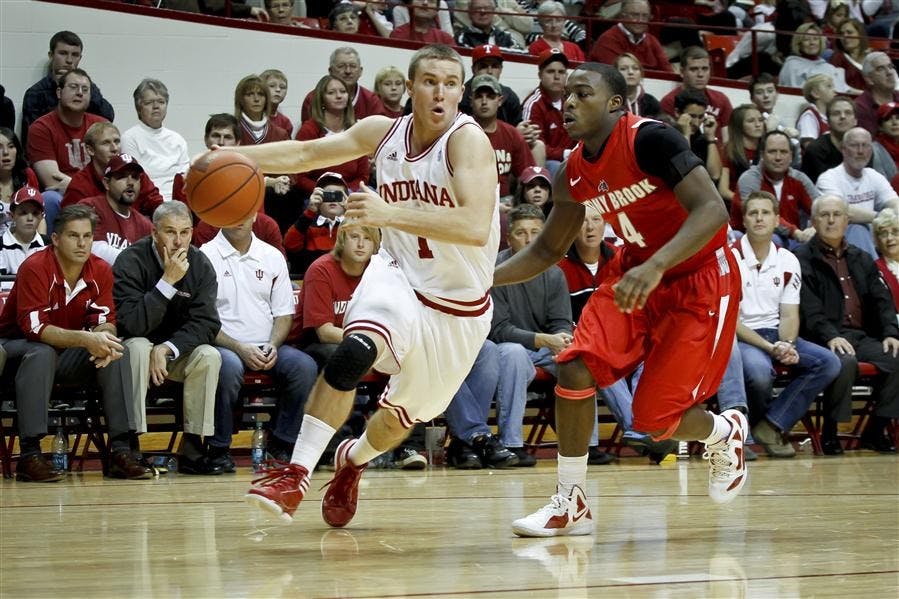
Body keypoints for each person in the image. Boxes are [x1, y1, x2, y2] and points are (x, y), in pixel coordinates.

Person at [237, 44, 499, 525]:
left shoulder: (468, 141)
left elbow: (475, 225)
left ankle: (351, 463)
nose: (440, 92)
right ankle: (295, 473)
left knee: (401, 418)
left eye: (450, 83)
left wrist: (390, 212)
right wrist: (231, 156)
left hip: (458, 306)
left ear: (460, 91)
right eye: (429, 81)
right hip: (398, 275)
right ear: (411, 88)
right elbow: (305, 151)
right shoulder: (383, 133)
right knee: (355, 349)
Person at [495, 63, 746, 538]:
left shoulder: (652, 140)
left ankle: (723, 432)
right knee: (574, 364)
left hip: (698, 279)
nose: (568, 102)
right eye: (566, 95)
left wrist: (656, 266)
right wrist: (487, 279)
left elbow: (712, 210)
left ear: (615, 103)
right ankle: (572, 500)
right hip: (634, 276)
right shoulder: (572, 170)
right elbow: (548, 249)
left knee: (655, 423)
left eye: (582, 94)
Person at [0, 205, 152, 482]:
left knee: (117, 350)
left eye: (87, 236)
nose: (82, 243)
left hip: (66, 353)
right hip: (16, 351)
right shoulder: (34, 267)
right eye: (73, 236)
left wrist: (103, 338)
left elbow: (105, 319)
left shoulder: (101, 270)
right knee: (42, 352)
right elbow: (35, 329)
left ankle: (121, 449)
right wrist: (86, 338)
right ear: (55, 239)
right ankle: (30, 454)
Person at [113, 201, 225, 475]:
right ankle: (131, 443)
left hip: (172, 354)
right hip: (135, 351)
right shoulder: (130, 260)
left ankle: (193, 445)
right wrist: (166, 283)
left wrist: (167, 348)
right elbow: (131, 323)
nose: (178, 242)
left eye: (185, 232)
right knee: (138, 347)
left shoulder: (200, 264)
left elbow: (207, 324)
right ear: (154, 234)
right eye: (170, 232)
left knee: (209, 355)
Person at [200, 214, 317, 469]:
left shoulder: (272, 256)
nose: (239, 217)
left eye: (245, 211)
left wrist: (273, 344)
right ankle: (218, 448)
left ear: (255, 215)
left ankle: (281, 444)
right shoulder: (205, 256)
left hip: (268, 345)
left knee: (304, 366)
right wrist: (239, 347)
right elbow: (202, 319)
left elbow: (284, 314)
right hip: (225, 346)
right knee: (226, 367)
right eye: (232, 210)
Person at [731, 191, 841, 458]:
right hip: (744, 339)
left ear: (777, 219)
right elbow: (731, 321)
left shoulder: (788, 260)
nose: (759, 218)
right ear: (743, 220)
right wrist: (771, 348)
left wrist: (787, 344)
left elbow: (790, 314)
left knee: (829, 362)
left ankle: (770, 425)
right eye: (753, 213)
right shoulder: (730, 258)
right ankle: (754, 429)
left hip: (777, 334)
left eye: (765, 213)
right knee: (758, 373)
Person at [794, 194, 899, 454]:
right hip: (822, 338)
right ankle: (830, 431)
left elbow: (882, 299)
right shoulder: (802, 258)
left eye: (837, 214)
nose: (831, 220)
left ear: (847, 220)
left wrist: (890, 332)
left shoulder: (862, 258)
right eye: (825, 215)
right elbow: (809, 309)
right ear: (814, 221)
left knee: (898, 355)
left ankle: (875, 430)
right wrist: (830, 335)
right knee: (844, 361)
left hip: (861, 336)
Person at [490, 204, 572, 467]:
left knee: (577, 359)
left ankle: (585, 446)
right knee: (513, 354)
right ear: (508, 237)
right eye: (521, 233)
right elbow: (499, 330)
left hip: (544, 347)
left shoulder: (554, 272)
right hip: (504, 348)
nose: (528, 240)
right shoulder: (496, 271)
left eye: (535, 233)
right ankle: (511, 443)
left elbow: (561, 322)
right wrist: (544, 340)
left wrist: (563, 340)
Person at [26, 68, 108, 234]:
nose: (79, 93)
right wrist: (86, 187)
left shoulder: (102, 125)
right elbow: (52, 181)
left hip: (98, 194)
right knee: (49, 198)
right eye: (73, 87)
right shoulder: (42, 128)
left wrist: (73, 184)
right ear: (59, 92)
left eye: (85, 89)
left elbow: (112, 171)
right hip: (64, 198)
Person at [20, 31, 114, 151]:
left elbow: (108, 117)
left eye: (75, 55)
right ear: (51, 55)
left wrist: (83, 88)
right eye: (63, 53)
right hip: (50, 153)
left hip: (85, 150)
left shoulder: (88, 87)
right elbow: (30, 140)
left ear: (80, 58)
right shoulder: (36, 93)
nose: (69, 60)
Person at [816, 127, 899, 258]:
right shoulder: (828, 178)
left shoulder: (873, 175)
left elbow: (894, 202)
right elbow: (842, 212)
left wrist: (893, 216)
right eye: (854, 145)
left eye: (865, 145)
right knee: (857, 228)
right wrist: (882, 217)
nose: (860, 151)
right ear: (843, 149)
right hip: (843, 244)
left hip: (876, 243)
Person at [733, 130, 820, 244]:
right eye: (772, 152)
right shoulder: (749, 179)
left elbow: (820, 208)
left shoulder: (799, 179)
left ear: (791, 156)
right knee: (773, 239)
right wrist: (795, 232)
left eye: (783, 152)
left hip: (793, 240)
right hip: (751, 237)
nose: (778, 157)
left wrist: (815, 228)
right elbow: (761, 218)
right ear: (762, 155)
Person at [61, 122, 163, 218]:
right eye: (106, 143)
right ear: (90, 150)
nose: (114, 148)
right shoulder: (80, 185)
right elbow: (71, 224)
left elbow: (156, 204)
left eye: (117, 141)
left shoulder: (134, 173)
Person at [120, 79, 190, 202]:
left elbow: (185, 178)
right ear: (139, 107)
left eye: (161, 102)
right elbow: (136, 179)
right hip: (149, 201)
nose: (156, 106)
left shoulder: (177, 139)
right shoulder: (130, 137)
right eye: (149, 102)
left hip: (179, 202)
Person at [470, 74, 536, 201]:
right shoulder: (460, 132)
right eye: (479, 97)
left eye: (490, 97)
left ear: (500, 101)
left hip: (505, 200)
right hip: (470, 200)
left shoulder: (511, 134)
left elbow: (528, 175)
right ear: (471, 100)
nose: (484, 102)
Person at [77, 154, 153, 265]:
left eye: (135, 177)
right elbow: (92, 249)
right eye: (122, 176)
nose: (130, 182)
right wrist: (135, 262)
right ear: (106, 183)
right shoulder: (90, 207)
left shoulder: (145, 225)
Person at [521, 50, 575, 177]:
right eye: (550, 71)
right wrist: (566, 154)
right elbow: (535, 147)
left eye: (561, 72)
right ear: (540, 75)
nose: (557, 77)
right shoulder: (533, 104)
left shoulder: (574, 101)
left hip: (571, 159)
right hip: (546, 163)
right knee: (555, 166)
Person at [284, 172, 347, 275]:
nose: (333, 199)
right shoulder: (307, 225)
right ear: (318, 199)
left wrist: (351, 213)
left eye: (337, 195)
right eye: (327, 195)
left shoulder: (353, 225)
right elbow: (289, 245)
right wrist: (310, 211)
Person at [300, 47, 385, 122]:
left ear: (360, 71)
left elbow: (381, 134)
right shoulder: (313, 99)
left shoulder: (371, 101)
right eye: (341, 66)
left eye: (353, 66)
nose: (348, 71)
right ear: (330, 71)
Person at [659, 46, 733, 131]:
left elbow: (728, 138)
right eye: (694, 69)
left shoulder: (721, 100)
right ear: (682, 72)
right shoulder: (669, 102)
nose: (700, 74)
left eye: (705, 69)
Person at [588, 0, 672, 73]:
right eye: (635, 15)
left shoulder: (652, 40)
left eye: (645, 16)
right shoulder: (608, 39)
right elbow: (617, 76)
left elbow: (668, 73)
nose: (640, 20)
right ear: (622, 16)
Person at [777, 23, 857, 94]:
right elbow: (792, 94)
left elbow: (845, 89)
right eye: (806, 39)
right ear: (799, 44)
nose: (812, 43)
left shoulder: (828, 67)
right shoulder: (792, 65)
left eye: (815, 39)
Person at [458, 44, 523, 127]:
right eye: (483, 66)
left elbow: (517, 124)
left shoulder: (509, 96)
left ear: (501, 69)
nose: (489, 71)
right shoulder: (460, 96)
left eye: (494, 66)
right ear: (473, 69)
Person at [802, 96, 862, 183]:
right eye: (836, 113)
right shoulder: (815, 150)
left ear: (855, 121)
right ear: (828, 121)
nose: (842, 117)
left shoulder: (863, 148)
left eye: (848, 113)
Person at [672, 90, 722, 187]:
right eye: (692, 116)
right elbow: (685, 172)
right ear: (677, 112)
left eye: (701, 117)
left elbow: (715, 176)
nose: (696, 123)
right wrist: (685, 135)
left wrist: (711, 138)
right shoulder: (666, 135)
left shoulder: (704, 140)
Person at [718, 104, 764, 205]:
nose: (758, 124)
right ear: (739, 125)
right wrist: (746, 203)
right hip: (737, 204)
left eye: (760, 120)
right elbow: (723, 190)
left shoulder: (767, 148)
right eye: (751, 121)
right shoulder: (728, 150)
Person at [0, 187, 48, 278]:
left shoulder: (50, 246)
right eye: (23, 212)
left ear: (42, 217)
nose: (30, 218)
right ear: (12, 215)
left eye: (35, 213)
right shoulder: (1, 246)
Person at [0, 128, 40, 237]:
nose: (6, 152)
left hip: (26, 240)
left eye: (11, 146)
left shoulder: (27, 175)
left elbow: (40, 216)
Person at [854, 52, 899, 137]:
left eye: (890, 67)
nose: (889, 72)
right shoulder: (860, 107)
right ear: (869, 79)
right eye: (881, 69)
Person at [454, 0, 519, 49]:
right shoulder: (462, 37)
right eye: (477, 8)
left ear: (494, 12)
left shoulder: (505, 37)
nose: (483, 12)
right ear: (469, 13)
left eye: (487, 8)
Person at [615, 53, 661, 118]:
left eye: (635, 68)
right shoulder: (608, 101)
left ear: (641, 74)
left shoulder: (651, 102)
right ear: (615, 74)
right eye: (623, 69)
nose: (630, 72)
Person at [796, 74, 836, 149]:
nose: (834, 90)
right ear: (815, 93)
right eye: (829, 86)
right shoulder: (809, 116)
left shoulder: (828, 118)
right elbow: (810, 148)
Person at [830, 19, 870, 92]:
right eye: (841, 34)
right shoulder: (837, 58)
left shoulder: (873, 55)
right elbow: (837, 86)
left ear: (860, 34)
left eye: (849, 32)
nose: (845, 36)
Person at [390, 0, 455, 44]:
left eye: (431, 0)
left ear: (437, 10)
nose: (425, 3)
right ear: (410, 3)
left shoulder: (445, 38)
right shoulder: (398, 34)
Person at [873, 207, 899, 312]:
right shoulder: (875, 270)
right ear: (877, 241)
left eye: (895, 232)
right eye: (883, 234)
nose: (889, 238)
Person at [260, 69, 295, 138]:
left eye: (282, 87)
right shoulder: (253, 118)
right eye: (272, 86)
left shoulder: (285, 122)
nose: (278, 90)